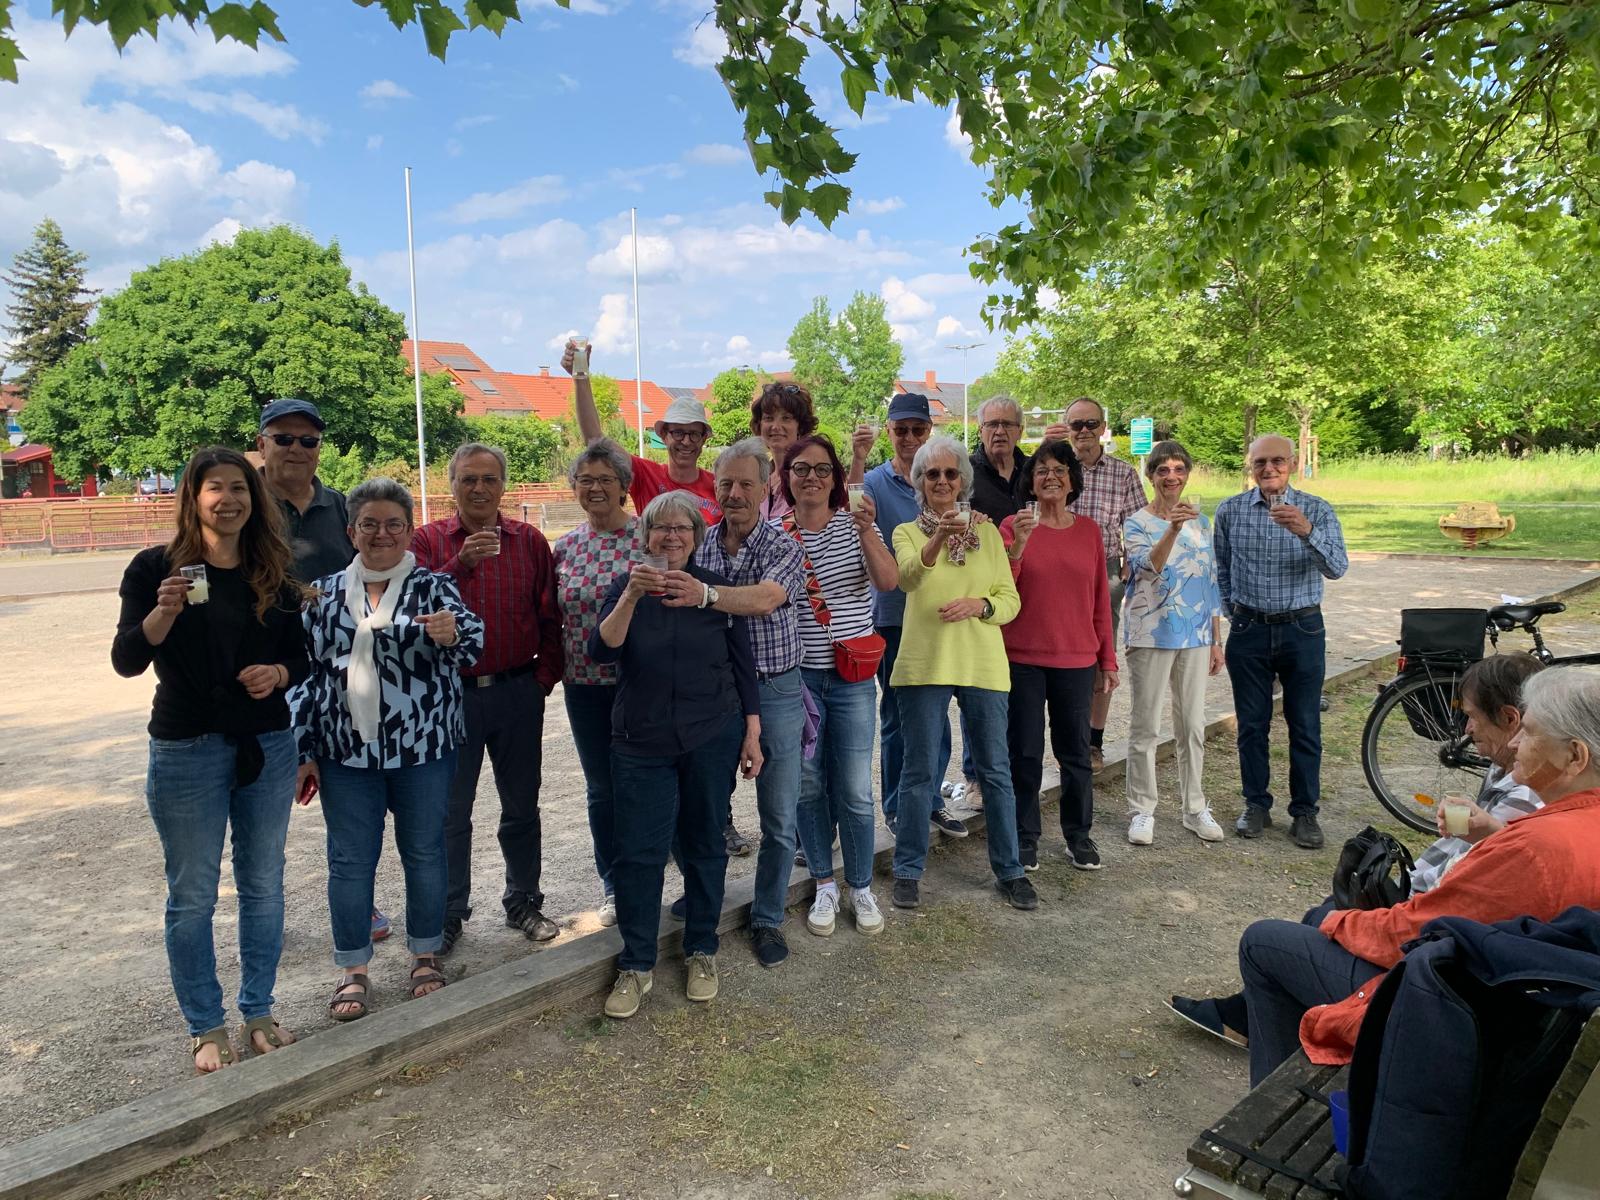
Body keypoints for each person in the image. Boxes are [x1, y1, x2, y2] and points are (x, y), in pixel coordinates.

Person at [1233, 665, 1600, 1085]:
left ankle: (1278, 1100)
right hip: (1507, 1008)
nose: (1515, 743)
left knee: (1264, 940)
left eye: (1530, 732)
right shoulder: (1572, 824)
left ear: (1574, 756)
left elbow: (1415, 932)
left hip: (1451, 1012)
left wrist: (1338, 921)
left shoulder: (1537, 847)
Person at [1169, 654, 1547, 1054]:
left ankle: (1265, 1030)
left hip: (1429, 970)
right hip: (1437, 940)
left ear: (1511, 720)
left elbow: (1436, 918)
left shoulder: (1525, 799)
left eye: (1472, 717)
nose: (1466, 731)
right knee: (1331, 907)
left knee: (1285, 933)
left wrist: (1351, 922)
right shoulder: (1518, 779)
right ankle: (1254, 1014)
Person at [111, 446, 309, 1072]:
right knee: (193, 894)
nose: (229, 499)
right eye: (215, 488)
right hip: (187, 746)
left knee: (263, 885)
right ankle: (205, 1024)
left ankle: (258, 1011)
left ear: (255, 500)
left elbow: (301, 657)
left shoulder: (269, 569)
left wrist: (277, 671)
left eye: (240, 489)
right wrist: (161, 615)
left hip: (266, 745)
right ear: (192, 497)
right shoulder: (155, 569)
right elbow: (126, 660)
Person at [295, 478, 484, 1021]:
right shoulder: (322, 593)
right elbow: (307, 678)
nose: (381, 534)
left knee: (424, 851)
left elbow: (475, 645)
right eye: (370, 524)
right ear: (351, 530)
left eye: (394, 524)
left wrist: (453, 635)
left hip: (423, 747)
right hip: (344, 751)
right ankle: (353, 969)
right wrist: (304, 747)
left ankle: (424, 955)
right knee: (350, 861)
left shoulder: (434, 588)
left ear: (409, 531)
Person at [592, 492, 763, 1018]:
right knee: (639, 852)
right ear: (644, 537)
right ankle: (637, 962)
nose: (671, 537)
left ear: (696, 535)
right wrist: (629, 599)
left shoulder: (713, 588)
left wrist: (751, 732)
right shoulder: (627, 584)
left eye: (682, 529)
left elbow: (743, 663)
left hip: (710, 731)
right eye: (660, 529)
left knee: (704, 843)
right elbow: (602, 651)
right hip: (640, 741)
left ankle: (702, 949)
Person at [654, 437, 805, 962]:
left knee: (779, 816)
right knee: (698, 808)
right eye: (725, 483)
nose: (735, 493)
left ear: (767, 488)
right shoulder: (700, 543)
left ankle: (766, 917)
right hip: (715, 694)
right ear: (712, 488)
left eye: (746, 483)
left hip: (776, 688)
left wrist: (708, 595)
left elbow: (765, 600)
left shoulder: (783, 545)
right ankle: (703, 898)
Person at [411, 443, 564, 954]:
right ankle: (450, 911)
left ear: (503, 486)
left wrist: (540, 681)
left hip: (516, 691)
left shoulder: (529, 542)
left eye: (489, 480)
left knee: (521, 806)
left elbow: (550, 617)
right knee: (450, 812)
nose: (479, 489)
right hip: (448, 699)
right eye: (468, 479)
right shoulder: (429, 541)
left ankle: (523, 901)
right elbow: (412, 610)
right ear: (451, 485)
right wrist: (459, 564)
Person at [255, 397, 390, 942]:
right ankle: (265, 912)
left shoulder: (338, 507)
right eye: (283, 438)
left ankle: (359, 903)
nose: (296, 449)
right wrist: (302, 594)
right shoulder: (245, 504)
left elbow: (368, 566)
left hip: (335, 670)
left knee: (342, 788)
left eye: (308, 440)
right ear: (261, 442)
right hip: (269, 666)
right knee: (269, 792)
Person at [889, 435, 1036, 912]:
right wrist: (940, 536)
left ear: (963, 481)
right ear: (919, 482)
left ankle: (1010, 869)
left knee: (995, 770)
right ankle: (909, 869)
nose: (942, 482)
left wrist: (981, 604)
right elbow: (908, 578)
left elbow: (1010, 601)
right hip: (925, 663)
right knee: (918, 773)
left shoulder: (990, 535)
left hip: (981, 663)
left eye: (951, 474)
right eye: (932, 474)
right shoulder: (907, 532)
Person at [779, 435, 898, 937]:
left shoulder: (855, 526)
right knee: (808, 785)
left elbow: (889, 581)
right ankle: (824, 883)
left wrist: (868, 530)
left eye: (821, 470)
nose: (811, 478)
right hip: (798, 678)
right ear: (786, 477)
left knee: (853, 789)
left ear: (835, 477)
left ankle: (862, 886)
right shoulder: (775, 532)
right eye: (800, 469)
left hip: (850, 678)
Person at [1213, 433, 1349, 849]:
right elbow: (1222, 570)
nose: (1269, 469)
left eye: (1277, 461)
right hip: (1250, 629)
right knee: (1251, 726)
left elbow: (1337, 567)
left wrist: (1306, 531)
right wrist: (1236, 615)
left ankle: (1305, 812)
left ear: (1293, 464)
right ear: (1249, 467)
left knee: (1304, 724)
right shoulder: (1231, 511)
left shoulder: (1317, 510)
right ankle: (1256, 803)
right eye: (1260, 463)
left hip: (1302, 629)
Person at [999, 438, 1118, 871]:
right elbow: (1001, 591)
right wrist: (1017, 549)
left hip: (1076, 659)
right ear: (1030, 482)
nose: (1051, 476)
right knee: (1025, 753)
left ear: (1073, 480)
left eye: (1060, 470)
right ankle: (1025, 835)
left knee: (1076, 755)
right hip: (1023, 658)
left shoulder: (1090, 532)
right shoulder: (1013, 526)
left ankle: (1078, 835)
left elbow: (1099, 601)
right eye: (1042, 470)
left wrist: (1108, 660)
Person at [862, 392, 965, 838]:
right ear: (889, 431)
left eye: (917, 429)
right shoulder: (872, 483)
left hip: (938, 614)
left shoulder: (941, 478)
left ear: (929, 431)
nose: (908, 437)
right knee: (897, 716)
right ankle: (896, 805)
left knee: (936, 713)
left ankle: (930, 801)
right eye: (900, 429)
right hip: (891, 614)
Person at [1121, 440, 1226, 846]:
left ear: (1187, 475)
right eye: (1162, 470)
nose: (1171, 477)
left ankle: (1194, 807)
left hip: (1196, 635)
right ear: (1151, 476)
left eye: (1179, 469)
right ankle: (1142, 809)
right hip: (1151, 634)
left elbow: (1209, 581)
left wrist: (1216, 639)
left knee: (1192, 725)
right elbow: (1148, 567)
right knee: (1145, 726)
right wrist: (1173, 528)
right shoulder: (1135, 523)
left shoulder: (1203, 522)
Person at [553, 439, 639, 928]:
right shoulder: (564, 548)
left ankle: (656, 876)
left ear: (625, 487)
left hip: (639, 682)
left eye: (606, 479)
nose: (595, 488)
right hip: (583, 686)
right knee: (601, 790)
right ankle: (612, 884)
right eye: (586, 479)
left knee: (644, 783)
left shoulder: (647, 537)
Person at [1047, 397, 1147, 772]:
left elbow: (1139, 528)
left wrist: (1127, 566)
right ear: (1066, 427)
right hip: (1053, 572)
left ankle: (1092, 741)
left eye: (1091, 424)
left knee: (1100, 656)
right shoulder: (1051, 468)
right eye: (1076, 425)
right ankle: (1061, 741)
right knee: (1052, 656)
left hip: (1102, 573)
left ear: (1104, 428)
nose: (1084, 431)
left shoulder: (1122, 474)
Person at [568, 339, 720, 524]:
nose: (686, 442)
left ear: (704, 439)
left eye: (694, 434)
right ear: (664, 435)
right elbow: (595, 440)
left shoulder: (718, 485)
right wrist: (580, 378)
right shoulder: (645, 474)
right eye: (678, 433)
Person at [749, 381, 871, 521]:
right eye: (769, 418)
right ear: (760, 424)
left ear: (800, 427)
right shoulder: (758, 475)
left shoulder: (813, 472)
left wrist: (859, 459)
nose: (776, 426)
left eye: (786, 418)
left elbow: (851, 506)